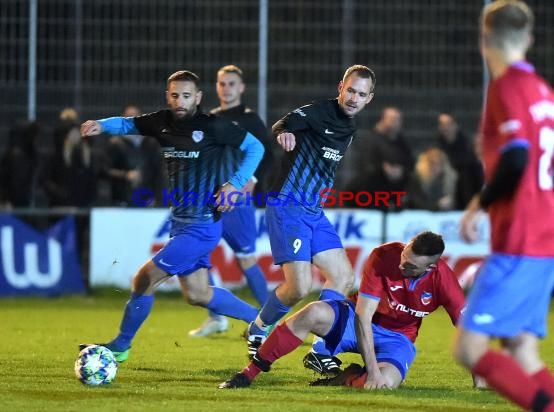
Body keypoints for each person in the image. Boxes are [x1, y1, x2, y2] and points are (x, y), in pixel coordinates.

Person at [78, 70, 265, 362]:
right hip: (181, 223)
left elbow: (256, 147)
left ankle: (121, 345)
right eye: (175, 95)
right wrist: (101, 125)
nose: (180, 101)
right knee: (198, 294)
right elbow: (128, 124)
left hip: (202, 226)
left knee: (144, 279)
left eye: (187, 95)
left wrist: (234, 184)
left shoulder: (213, 126)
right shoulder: (160, 122)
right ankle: (260, 323)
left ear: (198, 97)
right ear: (168, 95)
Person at [454, 2, 554, 411]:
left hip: (519, 240)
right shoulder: (543, 91)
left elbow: (516, 156)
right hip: (544, 239)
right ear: (528, 39)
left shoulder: (506, 86)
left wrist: (479, 203)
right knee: (521, 349)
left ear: (483, 39)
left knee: (470, 350)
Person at [219, 231, 472, 389]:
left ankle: (347, 377)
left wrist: (479, 382)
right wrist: (371, 370)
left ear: (429, 268)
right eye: (403, 256)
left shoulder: (444, 281)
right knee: (312, 312)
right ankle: (248, 374)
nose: (401, 264)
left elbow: (467, 331)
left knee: (384, 386)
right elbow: (363, 316)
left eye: (410, 266)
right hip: (356, 320)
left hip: (398, 338)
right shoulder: (383, 256)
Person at [243, 65, 375, 362]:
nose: (354, 98)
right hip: (287, 205)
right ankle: (259, 328)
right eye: (351, 90)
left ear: (369, 98)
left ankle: (320, 350)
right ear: (341, 86)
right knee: (299, 286)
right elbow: (282, 124)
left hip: (313, 211)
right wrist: (285, 134)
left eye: (361, 94)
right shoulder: (318, 112)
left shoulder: (350, 129)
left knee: (343, 277)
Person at [188, 65, 270, 337]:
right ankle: (216, 318)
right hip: (210, 200)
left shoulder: (250, 120)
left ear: (242, 87)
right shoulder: (211, 119)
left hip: (238, 202)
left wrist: (252, 182)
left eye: (232, 83)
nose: (227, 88)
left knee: (246, 259)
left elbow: (267, 156)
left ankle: (270, 319)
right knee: (198, 254)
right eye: (222, 84)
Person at [435, 112, 484, 209]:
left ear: (456, 125)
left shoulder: (467, 147)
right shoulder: (436, 148)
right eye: (443, 125)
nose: (446, 128)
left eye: (449, 124)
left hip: (465, 191)